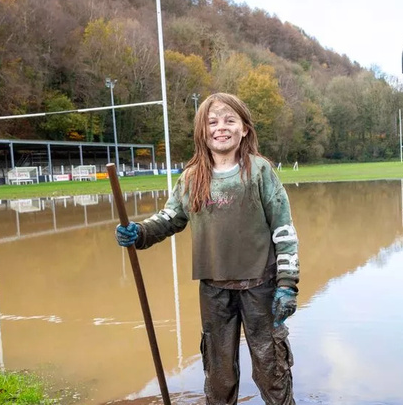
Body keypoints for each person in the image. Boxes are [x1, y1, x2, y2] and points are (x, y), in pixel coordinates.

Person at [115, 92, 300, 405]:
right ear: (202, 132)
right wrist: (140, 233)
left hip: (261, 284)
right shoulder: (190, 179)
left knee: (271, 367)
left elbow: (284, 229)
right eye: (212, 122)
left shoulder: (259, 171)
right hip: (213, 289)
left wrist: (287, 284)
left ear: (245, 129)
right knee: (218, 372)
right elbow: (169, 219)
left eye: (230, 120)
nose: (221, 127)